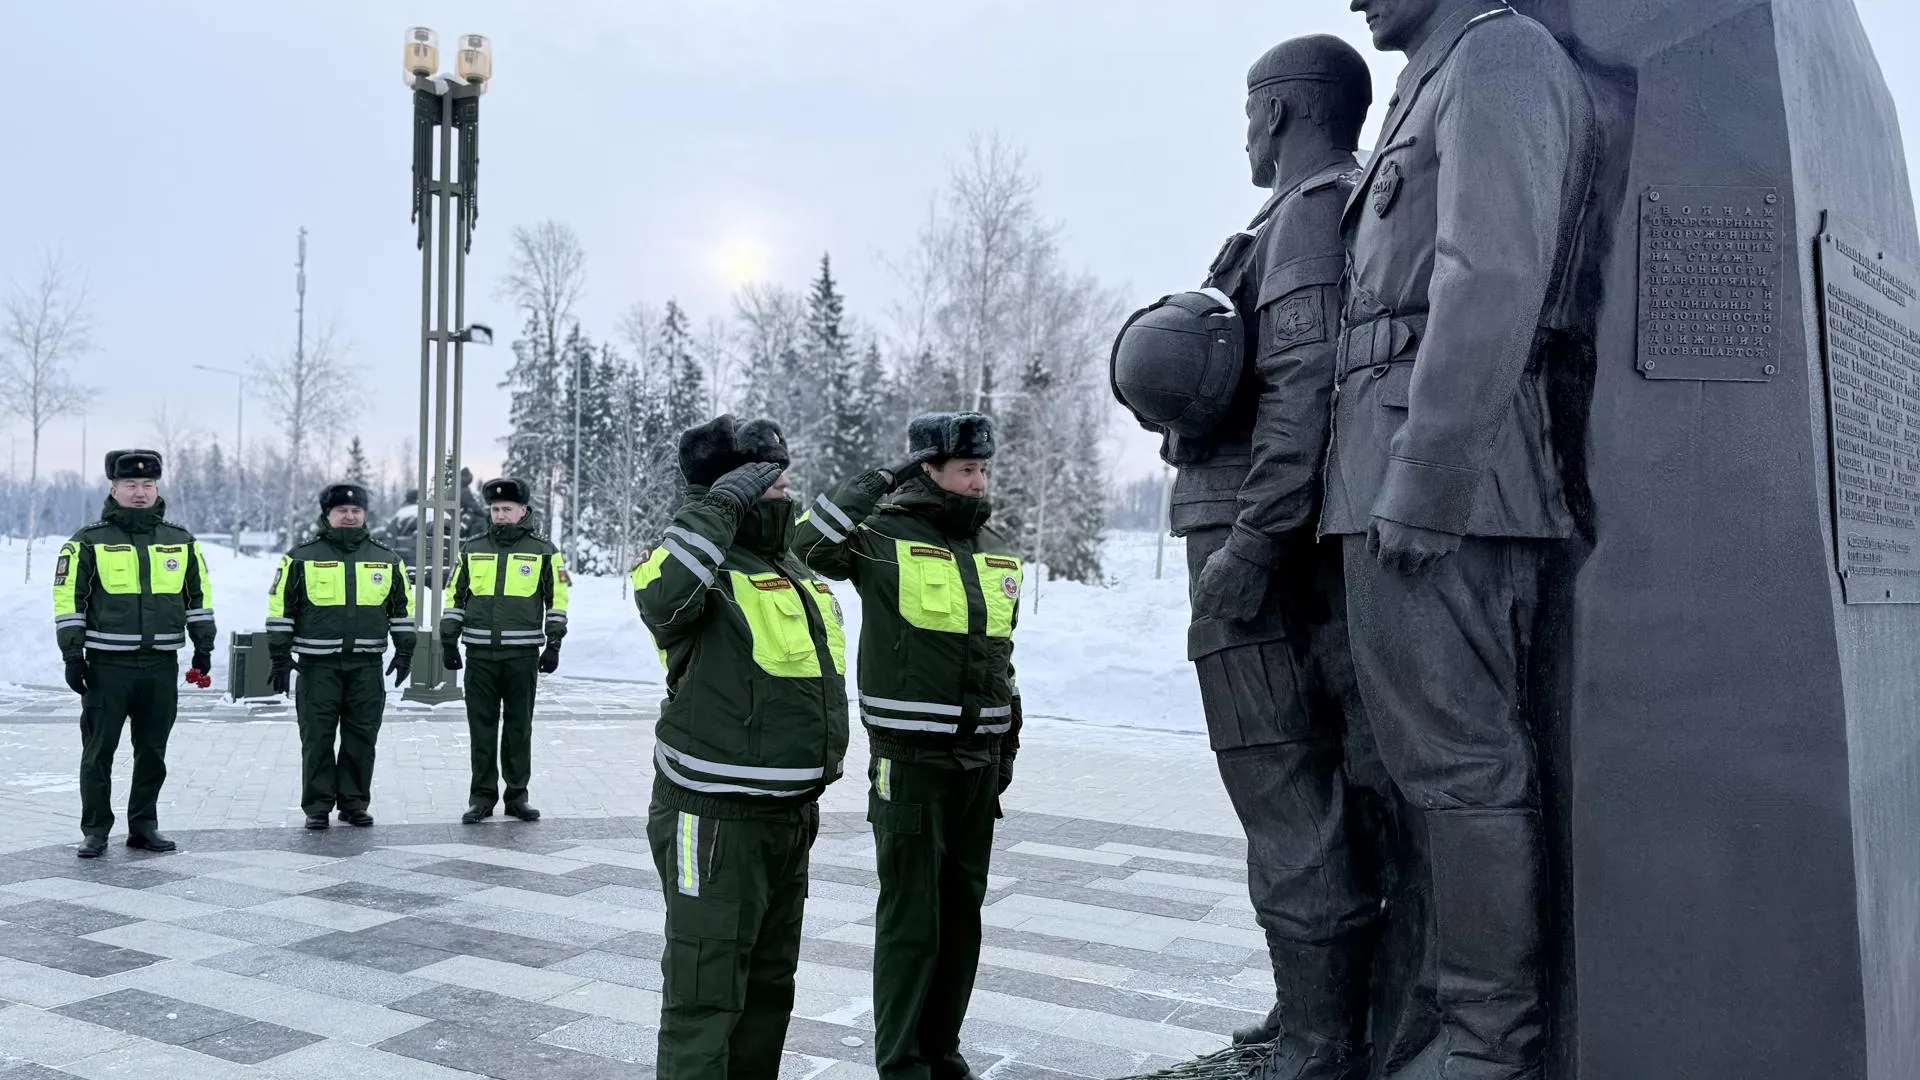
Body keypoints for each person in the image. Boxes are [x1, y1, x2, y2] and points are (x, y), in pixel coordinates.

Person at [1323, 2, 1598, 1077]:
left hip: (1450, 482)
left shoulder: (1500, 55)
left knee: (1464, 771)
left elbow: (1491, 272)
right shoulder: (1433, 76)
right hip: (1385, 470)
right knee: (1421, 775)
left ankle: (1490, 1045)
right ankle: (1439, 1024)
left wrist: (1429, 476)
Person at [1111, 35, 1386, 1079]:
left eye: (1249, 112)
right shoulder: (1310, 210)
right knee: (1290, 789)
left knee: (1283, 787)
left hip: (1250, 541)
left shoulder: (1314, 209)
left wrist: (1256, 544)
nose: (1244, 133)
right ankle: (1304, 1013)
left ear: (1280, 112)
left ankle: (1318, 1047)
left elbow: (1305, 385)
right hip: (1248, 529)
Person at [795, 411, 1021, 1080]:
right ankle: (900, 1064)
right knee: (911, 918)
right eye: (964, 470)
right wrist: (879, 478)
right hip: (911, 759)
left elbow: (999, 653)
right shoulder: (883, 535)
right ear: (929, 469)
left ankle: (941, 1051)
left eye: (983, 470)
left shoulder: (995, 543)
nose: (978, 483)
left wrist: (1008, 737)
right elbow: (811, 544)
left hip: (979, 759)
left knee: (961, 918)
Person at [631, 414, 850, 1079]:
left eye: (783, 471)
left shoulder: (789, 566)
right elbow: (661, 597)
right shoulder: (692, 558)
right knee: (706, 995)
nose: (782, 483)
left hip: (787, 817)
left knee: (766, 992)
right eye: (764, 473)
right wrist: (720, 505)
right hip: (714, 818)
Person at [51, 449, 217, 858]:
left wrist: (203, 648)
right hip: (108, 668)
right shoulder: (88, 541)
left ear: (157, 487)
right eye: (131, 485)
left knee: (152, 753)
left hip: (160, 665)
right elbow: (67, 599)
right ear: (114, 488)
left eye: (147, 485)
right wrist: (73, 656)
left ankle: (144, 826)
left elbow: (199, 597)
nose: (140, 492)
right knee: (98, 753)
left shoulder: (181, 541)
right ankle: (95, 830)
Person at [266, 482, 417, 829]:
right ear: (327, 515)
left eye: (356, 511)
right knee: (317, 737)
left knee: (362, 737)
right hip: (317, 667)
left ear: (364, 514)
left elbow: (402, 608)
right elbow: (280, 608)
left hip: (366, 665)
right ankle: (317, 806)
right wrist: (278, 654)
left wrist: (406, 649)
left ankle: (354, 803)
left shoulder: (386, 559)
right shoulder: (301, 558)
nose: (349, 516)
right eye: (341, 511)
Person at [440, 477, 569, 824]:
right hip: (480, 654)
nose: (499, 515)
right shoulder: (472, 548)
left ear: (523, 510)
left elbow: (558, 600)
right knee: (481, 729)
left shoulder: (544, 551)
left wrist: (553, 644)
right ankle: (481, 797)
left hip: (522, 655)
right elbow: (455, 595)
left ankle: (517, 797)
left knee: (517, 728)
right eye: (495, 509)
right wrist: (448, 639)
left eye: (506, 509)